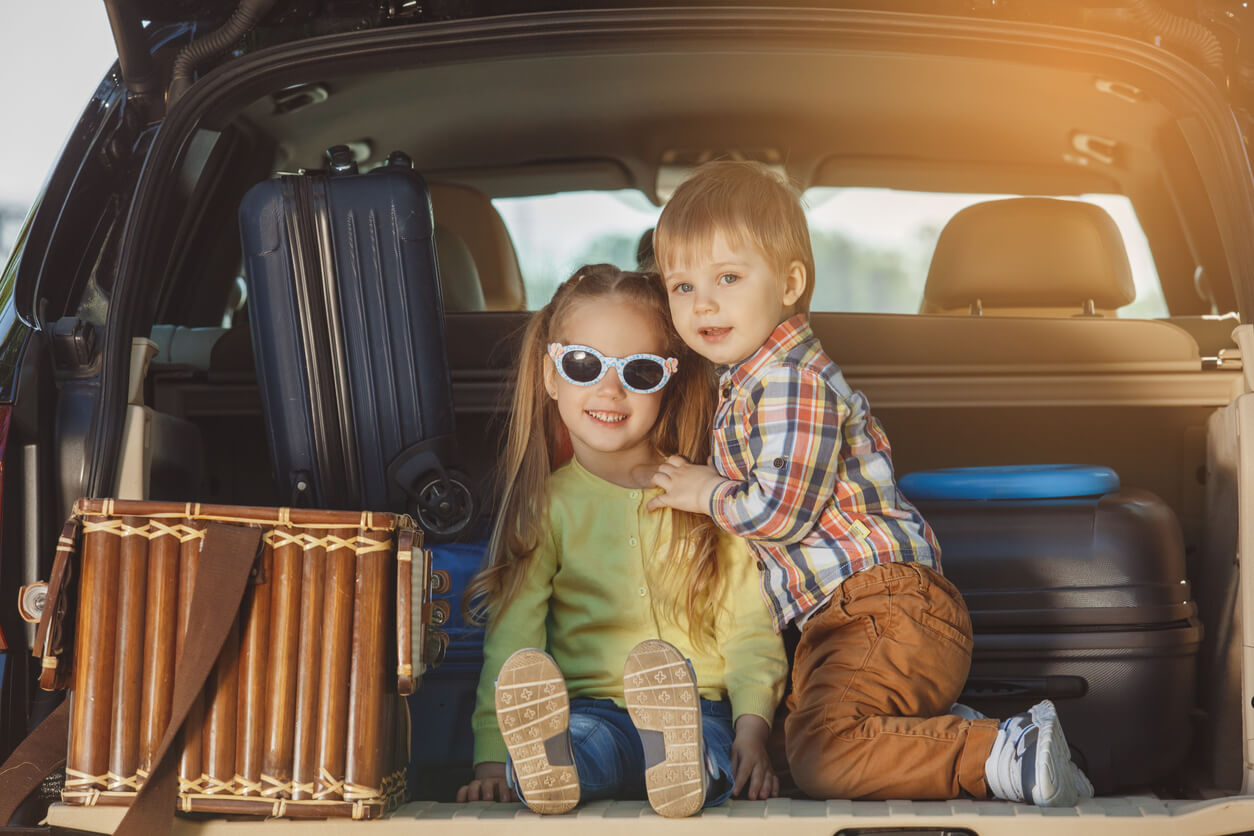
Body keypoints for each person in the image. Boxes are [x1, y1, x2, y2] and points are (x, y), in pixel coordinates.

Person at [647, 161, 1094, 807]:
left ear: (791, 282)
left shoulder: (789, 382)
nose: (703, 303)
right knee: (793, 752)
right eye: (681, 285)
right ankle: (950, 738)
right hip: (856, 621)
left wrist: (702, 489)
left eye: (728, 278)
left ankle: (1003, 748)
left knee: (826, 755)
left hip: (882, 610)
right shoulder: (745, 382)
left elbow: (778, 514)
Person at [455, 264, 787, 817]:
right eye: (584, 365)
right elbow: (513, 639)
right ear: (551, 376)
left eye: (638, 370)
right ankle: (543, 765)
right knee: (577, 750)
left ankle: (687, 769)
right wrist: (491, 758)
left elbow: (749, 626)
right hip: (589, 712)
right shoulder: (545, 506)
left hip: (699, 708)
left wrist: (753, 729)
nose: (609, 389)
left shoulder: (706, 494)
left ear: (669, 381)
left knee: (709, 751)